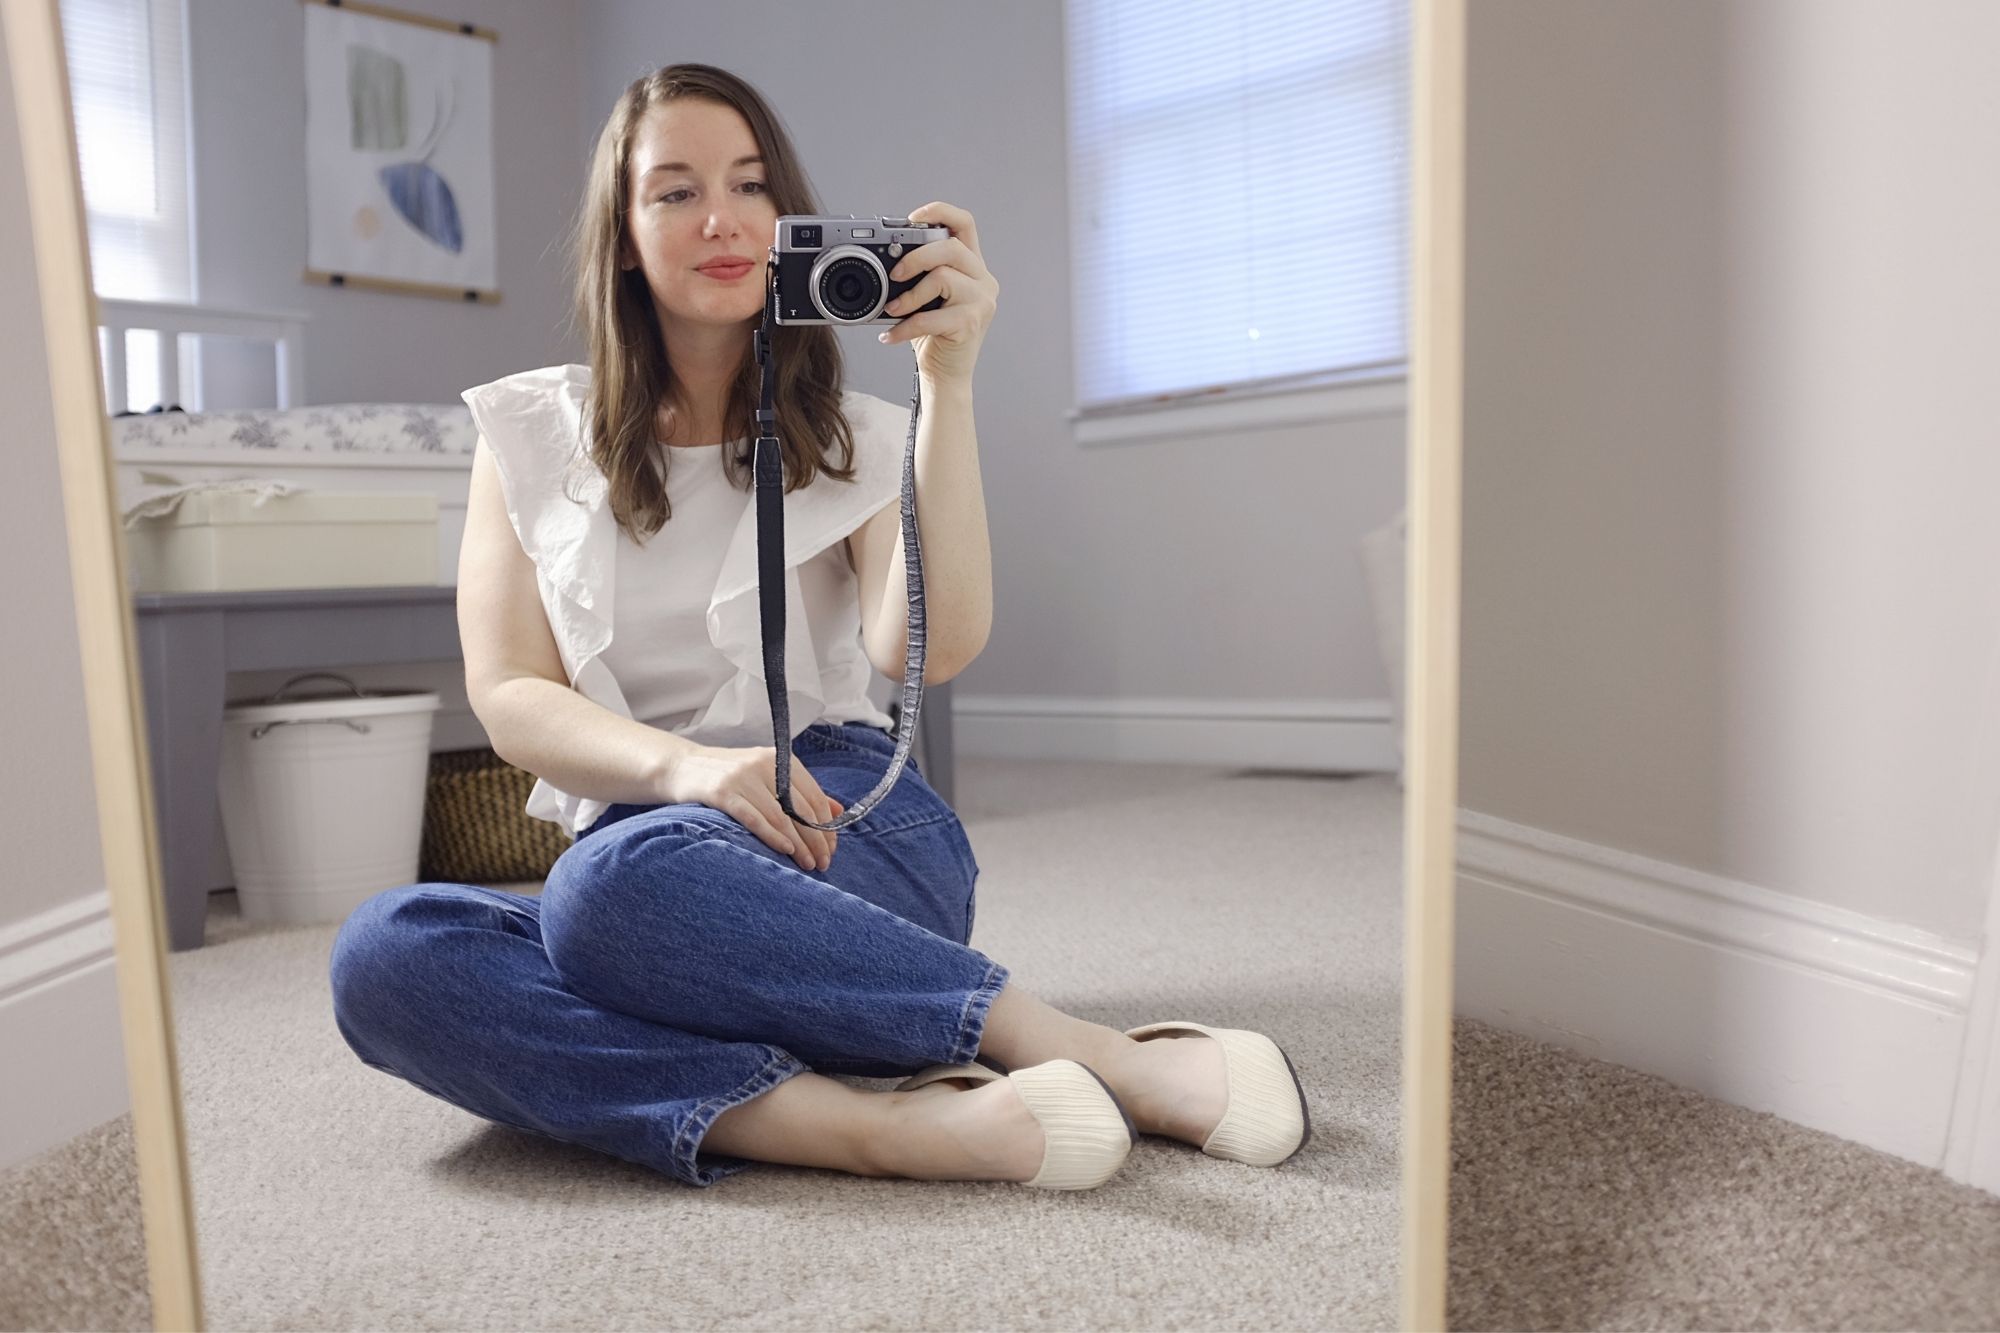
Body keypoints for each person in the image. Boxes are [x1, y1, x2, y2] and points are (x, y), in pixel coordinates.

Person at [330, 63, 1305, 1191]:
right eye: (674, 191)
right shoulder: (527, 437)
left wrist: (952, 384)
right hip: (648, 848)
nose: (721, 220)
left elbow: (929, 650)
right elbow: (508, 694)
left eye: (750, 186)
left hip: (849, 819)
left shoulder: (858, 433)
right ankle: (877, 1126)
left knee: (604, 905)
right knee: (388, 956)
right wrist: (685, 770)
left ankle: (1077, 1049)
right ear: (622, 231)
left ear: (791, 218)